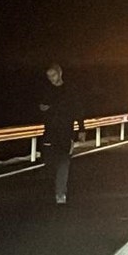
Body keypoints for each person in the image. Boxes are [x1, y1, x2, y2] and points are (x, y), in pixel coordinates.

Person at [39, 63, 85, 205]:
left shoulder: (70, 91)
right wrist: (43, 109)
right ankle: (54, 187)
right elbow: (41, 108)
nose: (51, 79)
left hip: (66, 133)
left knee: (64, 162)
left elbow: (78, 110)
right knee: (49, 163)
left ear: (60, 73)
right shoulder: (47, 91)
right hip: (50, 133)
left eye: (53, 75)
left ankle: (60, 193)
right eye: (48, 76)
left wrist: (82, 129)